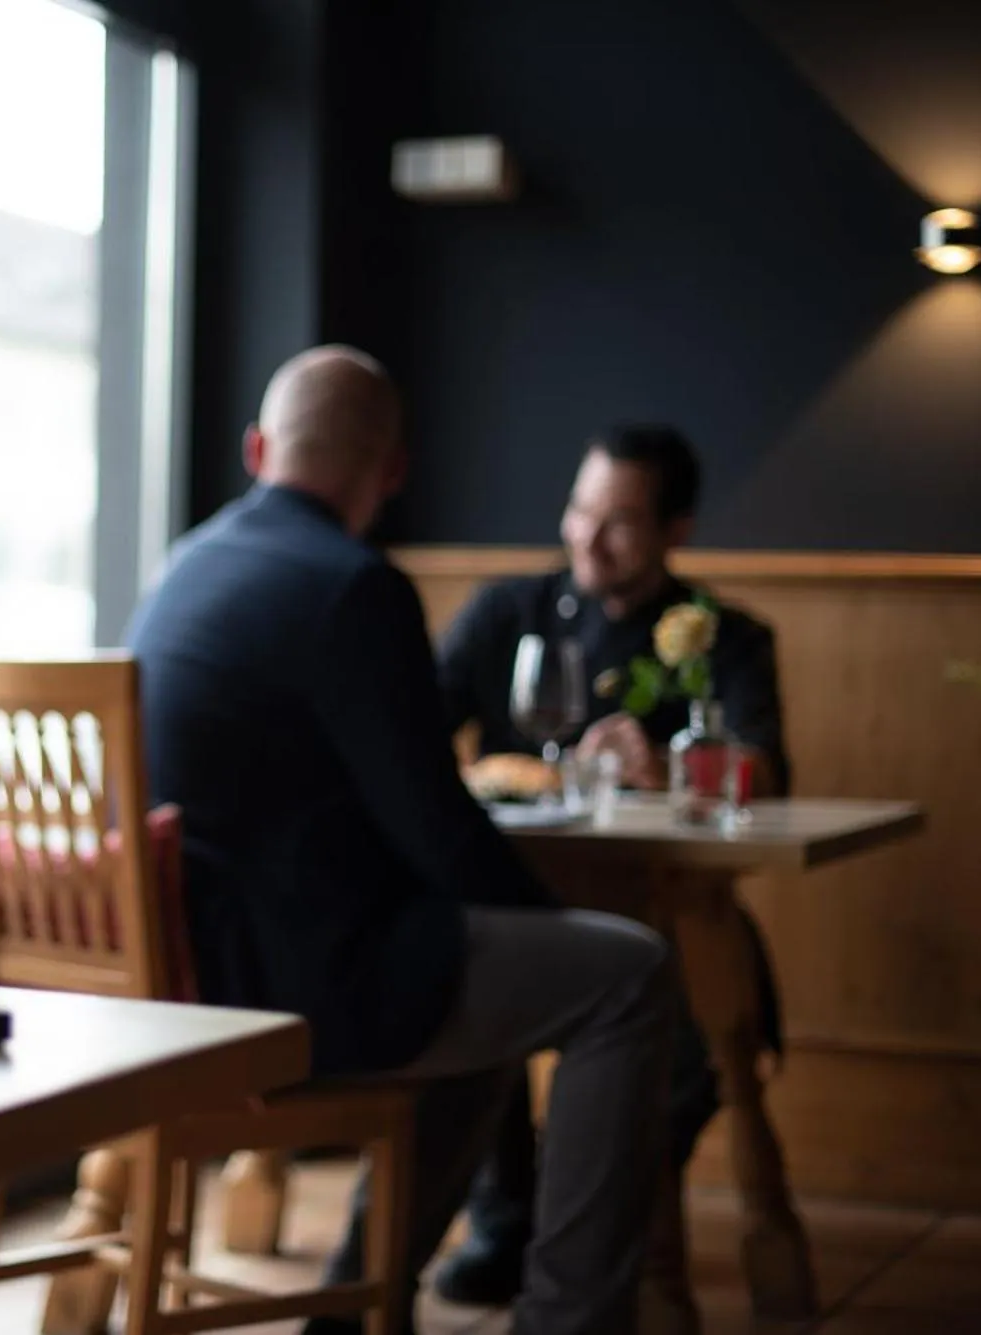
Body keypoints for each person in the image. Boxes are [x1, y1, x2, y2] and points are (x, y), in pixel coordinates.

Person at [126, 346, 676, 1335]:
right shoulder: (351, 587)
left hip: (173, 981)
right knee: (626, 973)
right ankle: (570, 1322)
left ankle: (351, 1309)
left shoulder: (184, 567)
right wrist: (552, 918)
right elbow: (437, 830)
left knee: (479, 982)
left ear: (257, 449)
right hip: (287, 991)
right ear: (391, 472)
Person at [430, 425, 788, 1307]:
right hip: (518, 896)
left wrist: (671, 767)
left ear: (677, 530)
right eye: (581, 510)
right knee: (465, 969)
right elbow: (413, 738)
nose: (589, 537)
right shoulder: (505, 612)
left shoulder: (724, 637)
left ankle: (589, 1213)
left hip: (664, 905)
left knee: (691, 1026)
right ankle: (505, 1215)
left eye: (620, 521)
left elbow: (768, 773)